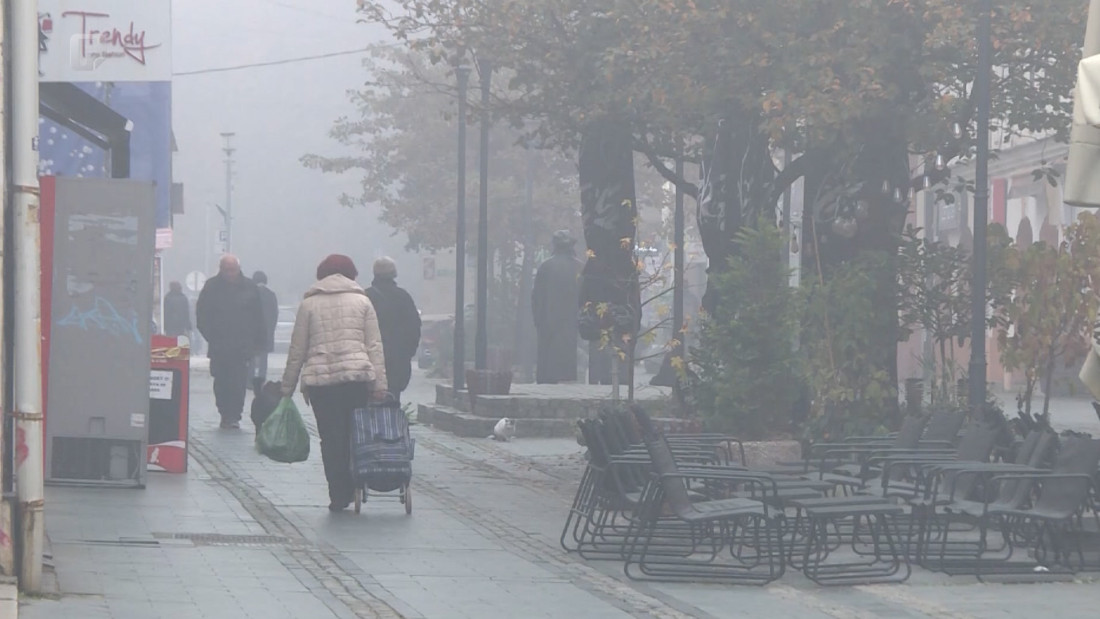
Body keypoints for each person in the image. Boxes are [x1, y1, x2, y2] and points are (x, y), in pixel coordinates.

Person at [281, 254, 388, 512]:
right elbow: (374, 345)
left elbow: (298, 348)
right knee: (354, 434)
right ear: (352, 274)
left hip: (321, 381)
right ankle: (353, 484)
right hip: (356, 378)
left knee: (330, 438)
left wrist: (287, 387)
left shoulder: (309, 305)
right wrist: (380, 384)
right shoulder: (363, 301)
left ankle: (337, 494)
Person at [196, 255, 266, 429]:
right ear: (221, 269)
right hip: (219, 346)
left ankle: (234, 415)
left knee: (238, 382)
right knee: (221, 381)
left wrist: (258, 342)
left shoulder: (249, 287)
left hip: (242, 346)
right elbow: (202, 315)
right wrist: (211, 336)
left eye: (232, 270)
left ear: (238, 268)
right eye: (226, 270)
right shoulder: (211, 287)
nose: (230, 274)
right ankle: (224, 412)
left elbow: (258, 317)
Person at [365, 257, 421, 406]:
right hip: (397, 360)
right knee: (393, 399)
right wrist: (407, 353)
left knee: (367, 401)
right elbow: (414, 328)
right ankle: (391, 425)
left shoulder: (366, 297)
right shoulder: (403, 297)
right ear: (394, 274)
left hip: (370, 359)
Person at [532, 230, 581, 383]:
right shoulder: (580, 267)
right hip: (571, 322)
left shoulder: (546, 267)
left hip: (548, 322)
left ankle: (547, 382)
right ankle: (567, 379)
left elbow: (537, 298)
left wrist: (539, 320)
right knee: (567, 357)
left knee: (548, 361)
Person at [251, 270, 280, 395]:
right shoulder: (271, 295)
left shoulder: (250, 294)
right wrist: (271, 329)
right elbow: (275, 313)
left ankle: (250, 380)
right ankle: (261, 380)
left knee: (251, 357)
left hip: (251, 331)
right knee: (263, 358)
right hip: (266, 331)